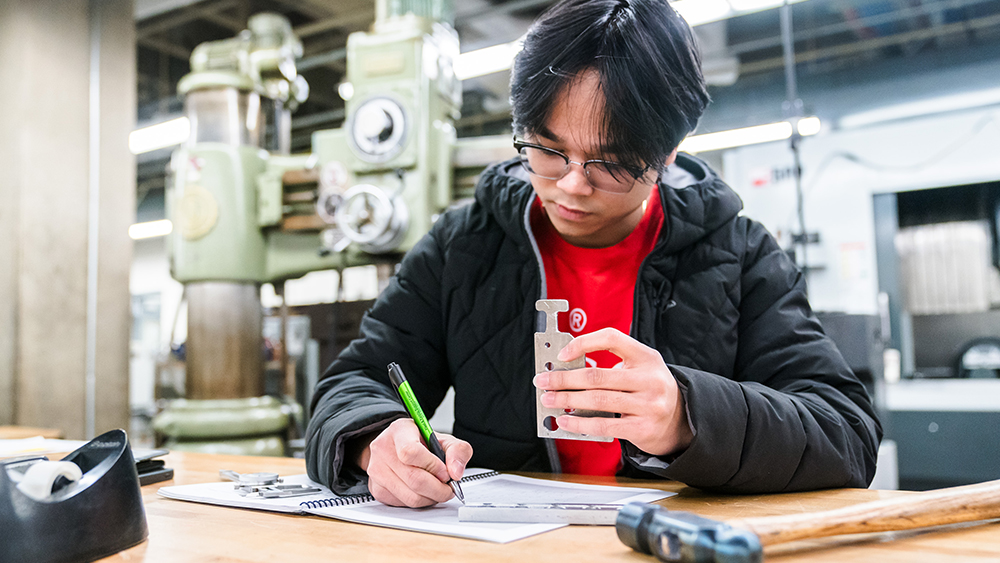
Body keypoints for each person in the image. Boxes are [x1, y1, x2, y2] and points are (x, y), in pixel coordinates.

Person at [305, 0, 882, 508]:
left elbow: (848, 435)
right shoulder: (464, 245)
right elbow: (352, 383)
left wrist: (688, 416)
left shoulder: (737, 252)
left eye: (610, 163)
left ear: (669, 152)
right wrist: (370, 438)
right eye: (548, 151)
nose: (572, 185)